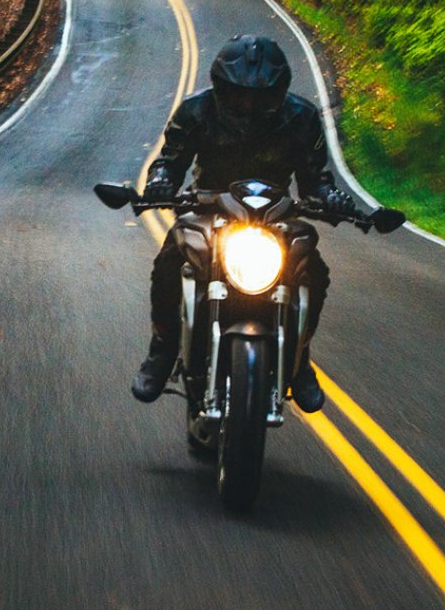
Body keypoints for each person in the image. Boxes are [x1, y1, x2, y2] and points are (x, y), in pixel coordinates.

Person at [131, 34, 357, 412]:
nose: (248, 104)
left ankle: (300, 360)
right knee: (170, 260)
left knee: (313, 270)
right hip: (208, 208)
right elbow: (169, 160)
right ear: (221, 87)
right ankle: (163, 348)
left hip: (276, 216)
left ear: (279, 92)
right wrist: (160, 183)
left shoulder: (301, 117)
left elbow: (317, 178)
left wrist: (332, 198)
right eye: (238, 94)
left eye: (261, 96)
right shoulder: (195, 111)